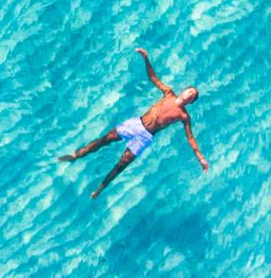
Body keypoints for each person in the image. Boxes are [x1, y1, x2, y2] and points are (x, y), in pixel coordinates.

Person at [58, 48, 209, 198]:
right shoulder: (168, 93)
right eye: (190, 92)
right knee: (104, 140)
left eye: (193, 96)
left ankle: (100, 189)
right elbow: (154, 78)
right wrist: (146, 59)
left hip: (145, 137)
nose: (190, 95)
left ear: (191, 102)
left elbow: (190, 138)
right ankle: (76, 156)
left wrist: (200, 157)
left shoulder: (184, 116)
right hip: (136, 124)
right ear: (184, 91)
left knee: (121, 165)